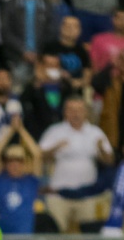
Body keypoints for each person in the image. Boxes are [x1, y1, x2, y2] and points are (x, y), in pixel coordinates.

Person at [39, 96, 113, 232]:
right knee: (52, 233)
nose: (76, 114)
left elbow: (109, 161)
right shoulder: (54, 131)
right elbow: (39, 157)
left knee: (90, 235)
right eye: (71, 110)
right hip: (58, 195)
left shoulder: (95, 132)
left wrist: (101, 149)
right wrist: (55, 148)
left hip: (88, 195)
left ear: (86, 112)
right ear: (65, 112)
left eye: (79, 110)